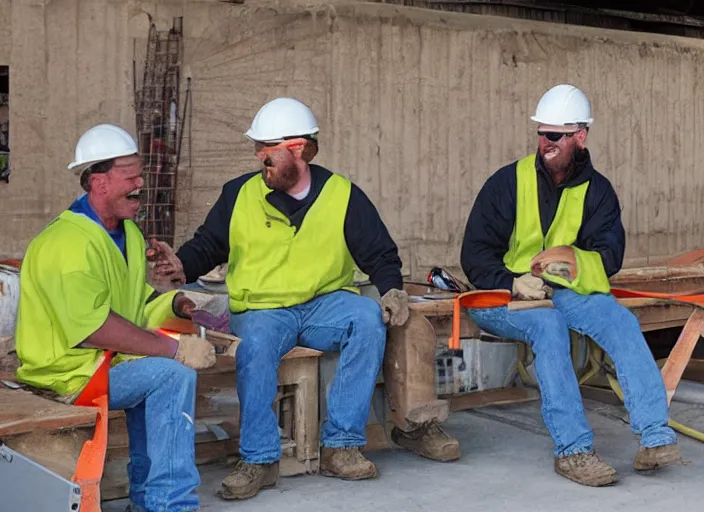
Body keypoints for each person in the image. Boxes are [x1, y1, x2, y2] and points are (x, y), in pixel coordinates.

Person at [156, 97, 460, 500]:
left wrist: (390, 290)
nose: (259, 158)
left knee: (367, 318)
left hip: (322, 304)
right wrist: (181, 265)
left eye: (267, 151)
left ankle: (342, 446)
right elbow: (209, 244)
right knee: (257, 344)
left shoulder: (343, 195)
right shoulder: (238, 194)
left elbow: (380, 254)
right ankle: (260, 459)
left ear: (298, 149)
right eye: (258, 150)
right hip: (263, 308)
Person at [460, 84, 681, 487]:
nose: (546, 142)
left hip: (562, 294)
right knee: (547, 326)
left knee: (618, 320)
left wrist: (571, 263)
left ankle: (655, 436)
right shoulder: (506, 183)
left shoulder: (598, 192)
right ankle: (573, 451)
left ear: (580, 136)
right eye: (542, 133)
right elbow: (474, 254)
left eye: (557, 135)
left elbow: (607, 258)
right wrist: (513, 282)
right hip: (501, 297)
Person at [14, 124, 216, 512]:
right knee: (172, 374)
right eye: (131, 177)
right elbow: (93, 328)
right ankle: (170, 505)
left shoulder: (129, 235)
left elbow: (132, 308)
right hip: (66, 372)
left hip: (106, 364)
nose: (141, 185)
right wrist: (174, 348)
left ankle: (147, 497)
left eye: (140, 175)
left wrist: (175, 305)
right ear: (99, 182)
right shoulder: (67, 243)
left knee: (157, 368)